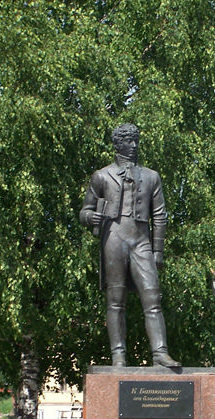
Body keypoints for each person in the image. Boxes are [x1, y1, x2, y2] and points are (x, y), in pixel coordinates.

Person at [80, 123, 180, 367]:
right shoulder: (101, 176)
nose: (134, 146)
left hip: (141, 241)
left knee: (152, 296)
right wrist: (90, 216)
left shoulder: (151, 176)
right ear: (117, 144)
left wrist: (158, 250)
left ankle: (160, 352)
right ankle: (118, 355)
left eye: (136, 140)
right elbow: (85, 210)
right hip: (113, 238)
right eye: (128, 141)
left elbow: (159, 215)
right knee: (115, 300)